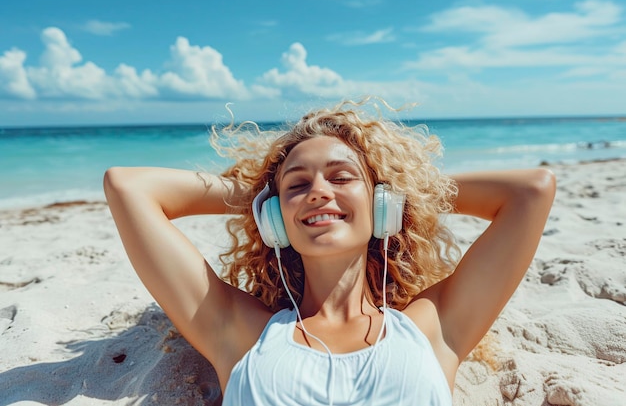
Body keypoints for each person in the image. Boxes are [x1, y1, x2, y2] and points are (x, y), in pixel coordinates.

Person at [103, 98, 556, 405]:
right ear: (273, 220)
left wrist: (407, 193)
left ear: (382, 207)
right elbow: (129, 187)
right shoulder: (242, 333)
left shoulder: (432, 329)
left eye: (341, 178)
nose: (318, 191)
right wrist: (263, 197)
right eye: (299, 184)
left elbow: (531, 192)